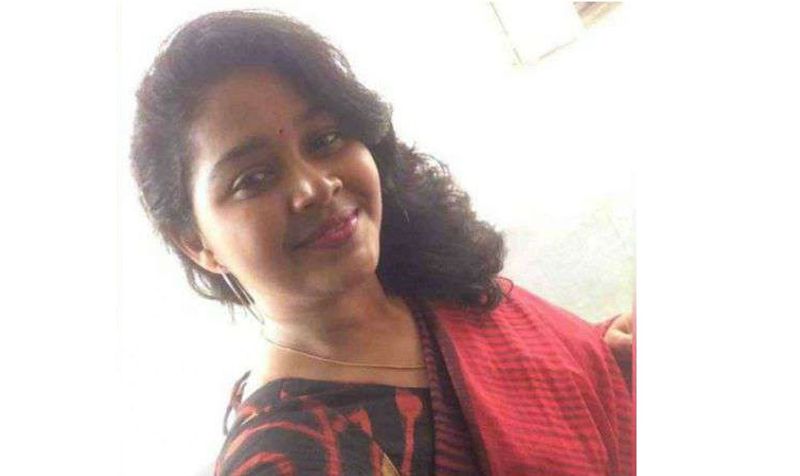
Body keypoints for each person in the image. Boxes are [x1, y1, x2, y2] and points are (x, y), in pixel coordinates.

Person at [130, 10, 634, 475]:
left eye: (325, 139)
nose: (315, 186)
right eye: (254, 178)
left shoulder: (432, 284)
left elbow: (569, 380)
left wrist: (607, 356)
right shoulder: (291, 458)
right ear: (197, 243)